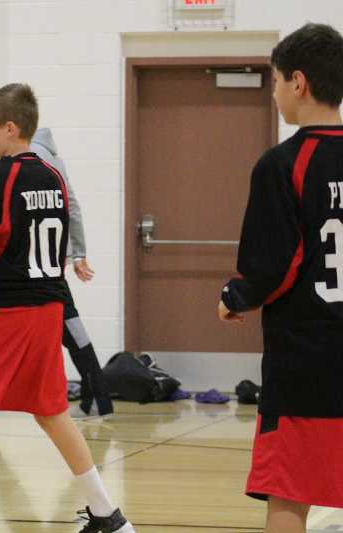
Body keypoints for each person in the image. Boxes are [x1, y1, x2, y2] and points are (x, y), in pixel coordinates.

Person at [0, 83, 134, 533]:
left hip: (4, 313)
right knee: (53, 414)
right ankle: (109, 515)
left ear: (10, 128)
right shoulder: (53, 176)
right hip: (48, 311)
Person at [218, 22, 343, 533]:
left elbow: (275, 265)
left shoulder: (282, 164)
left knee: (290, 494)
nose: (273, 94)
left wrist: (236, 296)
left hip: (306, 361)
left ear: (298, 82)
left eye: (273, 82)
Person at [31, 128, 113, 417]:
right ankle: (96, 397)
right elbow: (73, 206)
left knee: (68, 323)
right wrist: (78, 252)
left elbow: (67, 207)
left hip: (41, 261)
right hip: (49, 258)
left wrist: (77, 252)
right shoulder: (53, 158)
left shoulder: (33, 156)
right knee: (66, 324)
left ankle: (97, 398)